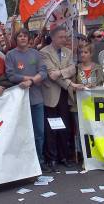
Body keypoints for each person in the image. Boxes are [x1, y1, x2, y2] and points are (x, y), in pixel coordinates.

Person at [5, 28, 48, 170]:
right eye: (20, 36)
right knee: (22, 133)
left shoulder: (36, 54)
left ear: (28, 39)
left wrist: (31, 82)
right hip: (19, 102)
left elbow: (43, 72)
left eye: (25, 36)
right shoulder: (10, 55)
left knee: (39, 132)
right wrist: (30, 78)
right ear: (16, 39)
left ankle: (39, 160)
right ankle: (24, 164)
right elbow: (11, 75)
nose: (22, 38)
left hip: (37, 99)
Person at [40, 26, 76, 171]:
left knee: (64, 126)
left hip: (65, 95)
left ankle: (64, 156)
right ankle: (52, 157)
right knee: (51, 128)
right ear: (53, 37)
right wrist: (70, 82)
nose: (64, 40)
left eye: (65, 37)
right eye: (61, 37)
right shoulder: (43, 53)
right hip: (51, 94)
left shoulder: (68, 52)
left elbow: (72, 69)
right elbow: (51, 75)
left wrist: (60, 73)